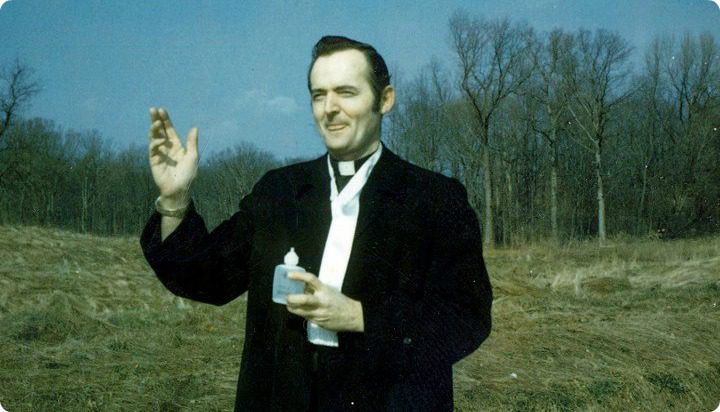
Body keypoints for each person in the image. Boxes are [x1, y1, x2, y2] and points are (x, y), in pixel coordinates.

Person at [141, 35, 492, 412]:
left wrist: (360, 317)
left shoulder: (434, 199)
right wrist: (175, 198)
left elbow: (466, 318)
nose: (330, 109)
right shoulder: (279, 192)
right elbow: (206, 278)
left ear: (385, 99)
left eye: (346, 92)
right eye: (318, 95)